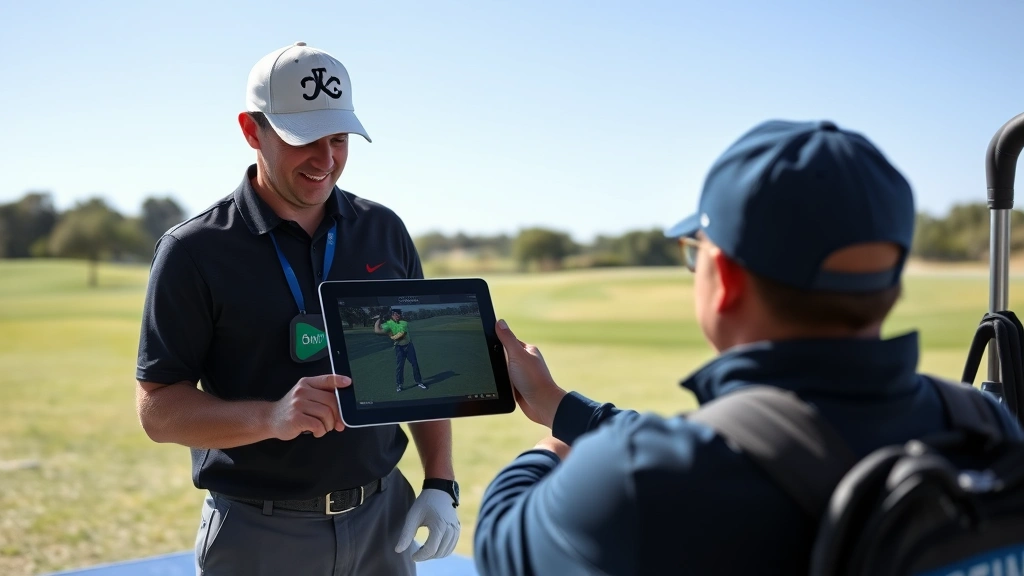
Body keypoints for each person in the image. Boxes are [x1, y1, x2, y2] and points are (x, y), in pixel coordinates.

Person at [472, 119, 1024, 575]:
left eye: (697, 251)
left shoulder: (637, 480)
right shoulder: (983, 427)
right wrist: (565, 408)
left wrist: (555, 448)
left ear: (727, 279)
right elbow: (751, 445)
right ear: (893, 284)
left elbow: (500, 541)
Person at [135, 42, 460, 576]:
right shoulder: (194, 250)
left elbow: (419, 372)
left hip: (385, 521)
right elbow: (157, 411)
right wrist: (271, 416)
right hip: (258, 533)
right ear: (250, 130)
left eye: (338, 139)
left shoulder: (384, 231)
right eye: (304, 139)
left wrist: (440, 482)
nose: (326, 160)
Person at [375, 308, 428, 391]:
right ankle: (399, 385)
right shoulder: (389, 324)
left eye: (399, 314)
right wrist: (379, 319)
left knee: (414, 364)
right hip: (399, 348)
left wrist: (392, 336)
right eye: (396, 314)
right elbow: (377, 331)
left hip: (409, 346)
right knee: (400, 366)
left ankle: (419, 382)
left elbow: (402, 334)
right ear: (392, 315)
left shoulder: (404, 323)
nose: (398, 316)